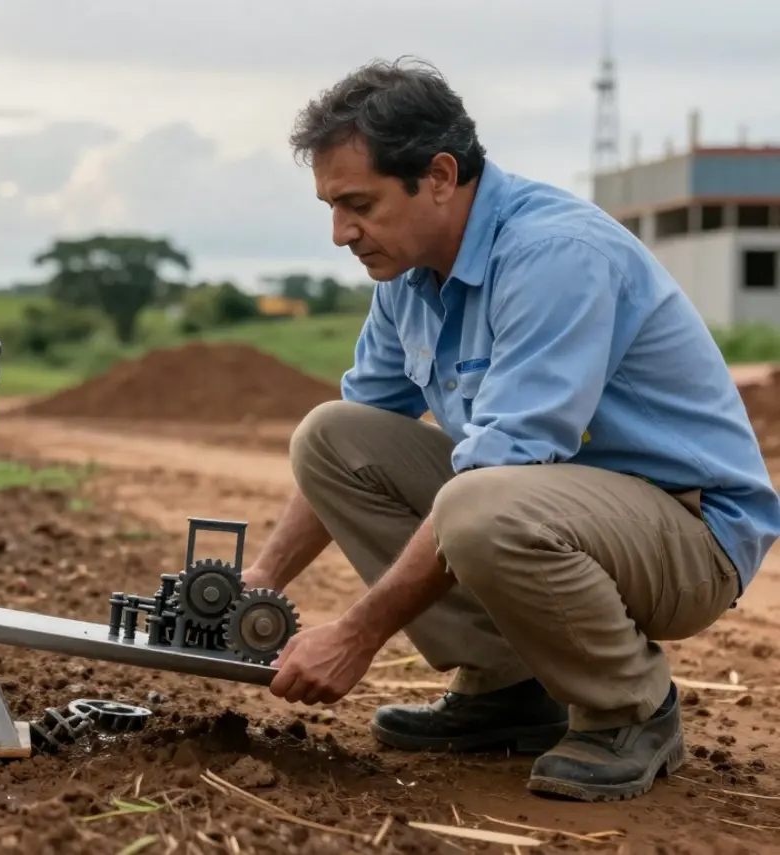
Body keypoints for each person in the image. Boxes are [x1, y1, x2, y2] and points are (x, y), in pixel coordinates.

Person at [240, 57, 780, 802]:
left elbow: (503, 466)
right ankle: (509, 688)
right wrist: (258, 583)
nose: (341, 233)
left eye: (357, 203)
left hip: (690, 532)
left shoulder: (552, 253)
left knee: (479, 501)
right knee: (332, 437)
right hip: (567, 511)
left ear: (437, 175)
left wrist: (358, 634)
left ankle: (631, 707)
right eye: (331, 206)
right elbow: (369, 424)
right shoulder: (407, 277)